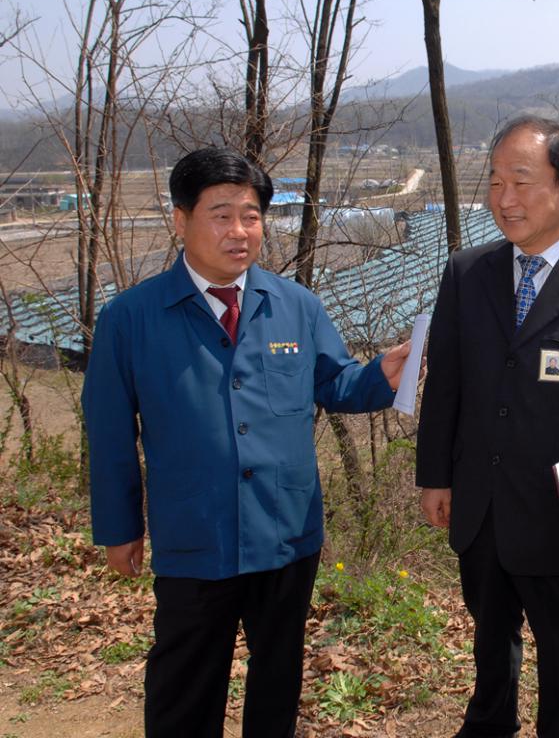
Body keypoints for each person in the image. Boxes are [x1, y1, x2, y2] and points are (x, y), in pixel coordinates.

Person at [83, 147, 412, 738]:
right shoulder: (131, 319)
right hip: (195, 534)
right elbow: (108, 435)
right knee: (186, 682)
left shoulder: (296, 306)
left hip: (286, 530)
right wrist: (119, 529)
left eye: (252, 215)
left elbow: (334, 384)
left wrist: (381, 374)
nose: (239, 231)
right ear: (180, 220)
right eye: (221, 214)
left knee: (278, 676)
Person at [416, 115, 559, 738]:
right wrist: (435, 476)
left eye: (521, 181)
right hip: (482, 504)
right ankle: (488, 725)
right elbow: (446, 385)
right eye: (495, 182)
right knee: (490, 640)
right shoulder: (467, 274)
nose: (504, 199)